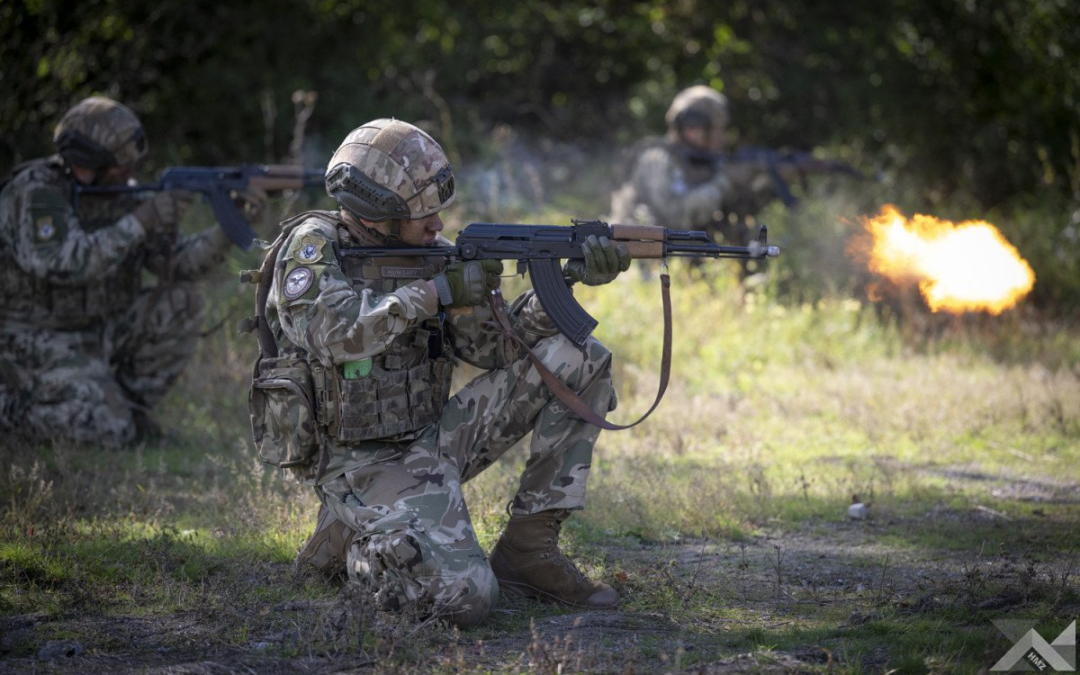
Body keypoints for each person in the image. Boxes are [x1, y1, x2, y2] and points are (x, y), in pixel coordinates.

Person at [253, 119, 631, 628]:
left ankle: (529, 551)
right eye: (421, 215)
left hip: (433, 437)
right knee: (465, 598)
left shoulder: (428, 253)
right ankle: (356, 546)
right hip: (358, 462)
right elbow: (333, 332)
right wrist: (435, 293)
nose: (436, 226)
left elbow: (494, 348)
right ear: (378, 213)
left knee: (579, 355)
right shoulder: (315, 246)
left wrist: (563, 279)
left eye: (437, 212)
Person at [0, 96, 262, 447]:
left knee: (181, 301)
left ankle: (128, 411)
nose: (129, 175)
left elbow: (179, 263)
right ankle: (10, 411)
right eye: (119, 166)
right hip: (33, 335)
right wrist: (142, 221)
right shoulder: (36, 193)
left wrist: (229, 228)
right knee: (108, 429)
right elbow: (65, 262)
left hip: (100, 327)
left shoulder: (123, 194)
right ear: (88, 163)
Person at [610, 85, 786, 258]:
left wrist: (765, 183)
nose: (722, 137)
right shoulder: (657, 160)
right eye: (715, 130)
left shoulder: (705, 161)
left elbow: (738, 214)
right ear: (690, 128)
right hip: (646, 263)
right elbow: (677, 217)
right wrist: (725, 182)